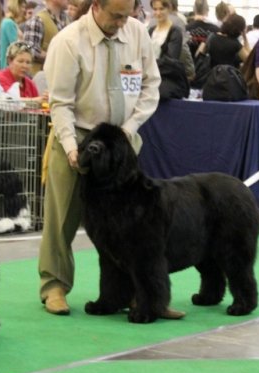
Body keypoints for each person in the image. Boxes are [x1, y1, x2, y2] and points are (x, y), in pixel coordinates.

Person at [39, 0, 161, 315]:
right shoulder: (67, 42)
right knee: (62, 218)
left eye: (128, 15)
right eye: (116, 16)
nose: (123, 22)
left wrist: (128, 130)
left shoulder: (136, 33)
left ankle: (131, 291)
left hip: (122, 140)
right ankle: (54, 285)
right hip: (79, 136)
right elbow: (61, 103)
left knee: (130, 222)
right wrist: (69, 147)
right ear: (96, 6)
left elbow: (151, 86)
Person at [22, 0, 69, 76]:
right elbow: (29, 49)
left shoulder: (67, 19)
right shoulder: (38, 20)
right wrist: (56, 56)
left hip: (61, 76)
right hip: (41, 79)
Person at [0, 0, 26, 69]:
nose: (24, 10)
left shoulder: (10, 22)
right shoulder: (9, 23)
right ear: (16, 7)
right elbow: (16, 46)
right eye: (22, 7)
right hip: (9, 67)